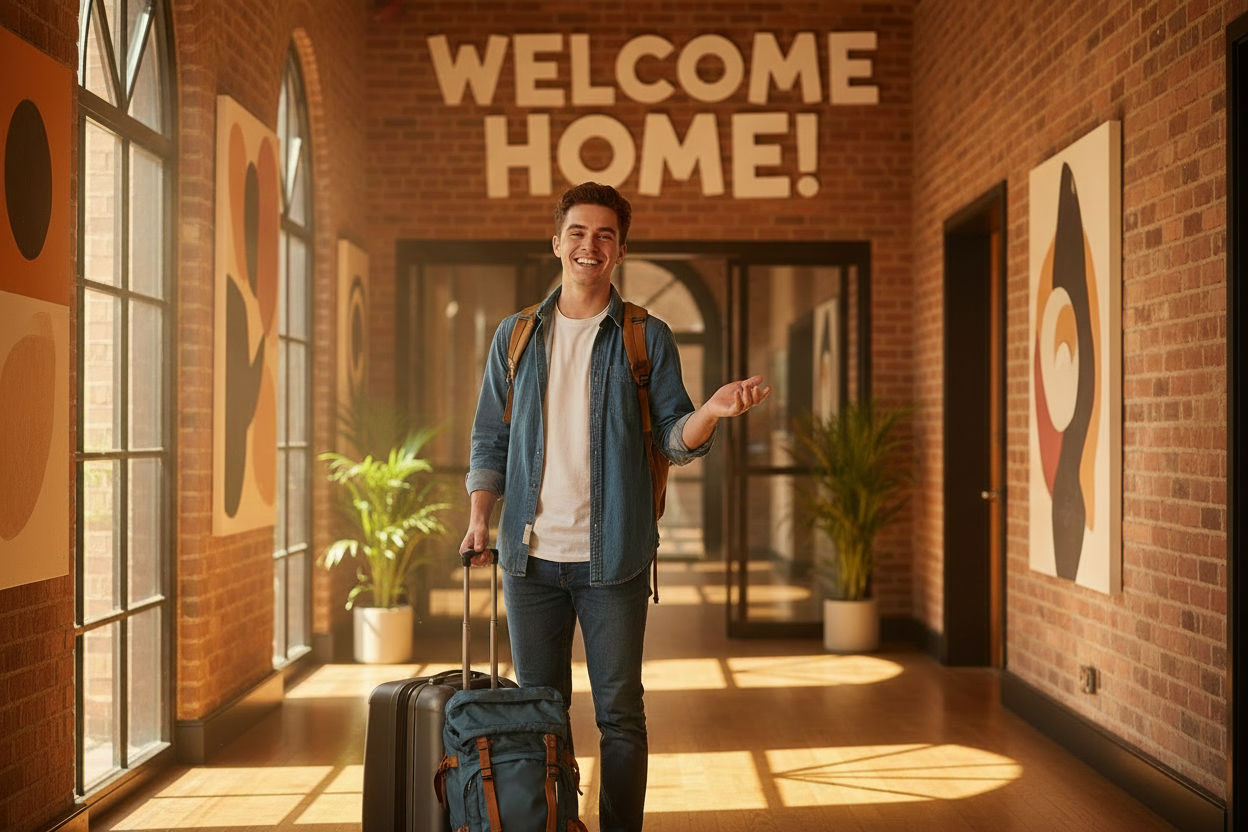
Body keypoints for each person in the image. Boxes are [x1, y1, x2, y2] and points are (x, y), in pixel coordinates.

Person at [459, 182, 769, 832]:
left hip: (615, 559)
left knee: (620, 716)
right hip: (529, 560)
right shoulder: (516, 336)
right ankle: (554, 821)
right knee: (540, 713)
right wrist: (480, 519)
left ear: (620, 250)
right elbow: (490, 436)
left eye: (605, 235)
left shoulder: (645, 336)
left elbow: (674, 438)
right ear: (556, 243)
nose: (589, 245)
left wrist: (712, 412)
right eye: (577, 232)